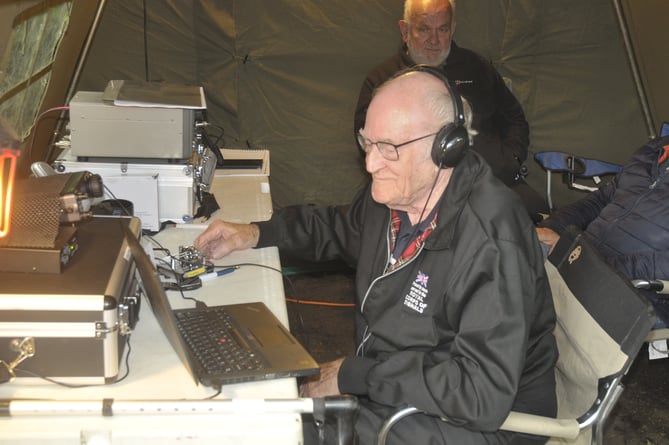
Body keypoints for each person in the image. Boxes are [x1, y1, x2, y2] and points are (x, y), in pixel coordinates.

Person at [195, 66, 557, 444]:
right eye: (367, 143)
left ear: (446, 147)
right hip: (404, 386)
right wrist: (254, 233)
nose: (370, 164)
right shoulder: (398, 197)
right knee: (262, 415)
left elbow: (479, 393)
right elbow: (334, 228)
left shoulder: (491, 241)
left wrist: (356, 375)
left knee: (285, 434)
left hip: (486, 422)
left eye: (389, 148)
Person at [354, 0, 548, 218]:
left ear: (453, 28)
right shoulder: (381, 80)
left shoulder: (477, 68)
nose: (434, 40)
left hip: (488, 180)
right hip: (416, 193)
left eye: (443, 29)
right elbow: (367, 144)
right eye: (424, 29)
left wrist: (510, 160)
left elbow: (515, 119)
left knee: (537, 212)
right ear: (405, 29)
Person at [537, 134, 669, 327]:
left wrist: (601, 267)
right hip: (582, 260)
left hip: (638, 291)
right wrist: (550, 228)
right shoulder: (654, 150)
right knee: (515, 251)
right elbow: (600, 200)